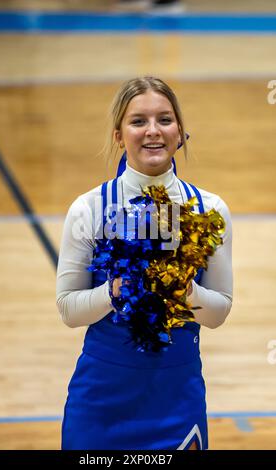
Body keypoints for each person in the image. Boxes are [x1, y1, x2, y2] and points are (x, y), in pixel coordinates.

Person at [56, 76, 233, 450]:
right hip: (101, 403)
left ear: (181, 132)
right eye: (138, 121)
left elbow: (218, 313)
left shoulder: (209, 209)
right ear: (120, 135)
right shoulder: (89, 208)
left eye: (165, 120)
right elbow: (69, 310)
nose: (153, 131)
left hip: (177, 400)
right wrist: (115, 290)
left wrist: (184, 291)